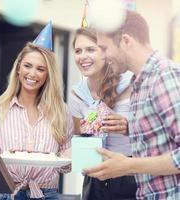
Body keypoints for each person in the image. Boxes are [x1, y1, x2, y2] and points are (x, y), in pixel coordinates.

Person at [84, 10, 180, 199]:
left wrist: (128, 165)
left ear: (126, 41)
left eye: (104, 48)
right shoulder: (139, 84)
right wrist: (117, 167)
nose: (102, 56)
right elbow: (157, 153)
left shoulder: (164, 76)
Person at [0, 23, 73, 200]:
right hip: (7, 193)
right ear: (18, 68)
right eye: (27, 66)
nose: (32, 74)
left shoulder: (60, 111)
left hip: (46, 194)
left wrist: (69, 156)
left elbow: (65, 167)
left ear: (48, 75)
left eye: (40, 69)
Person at [69, 27, 137, 200]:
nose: (83, 56)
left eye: (91, 49)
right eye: (78, 51)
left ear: (105, 52)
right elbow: (79, 136)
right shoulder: (77, 94)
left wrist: (129, 127)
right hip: (95, 178)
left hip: (131, 174)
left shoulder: (132, 83)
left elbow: (156, 133)